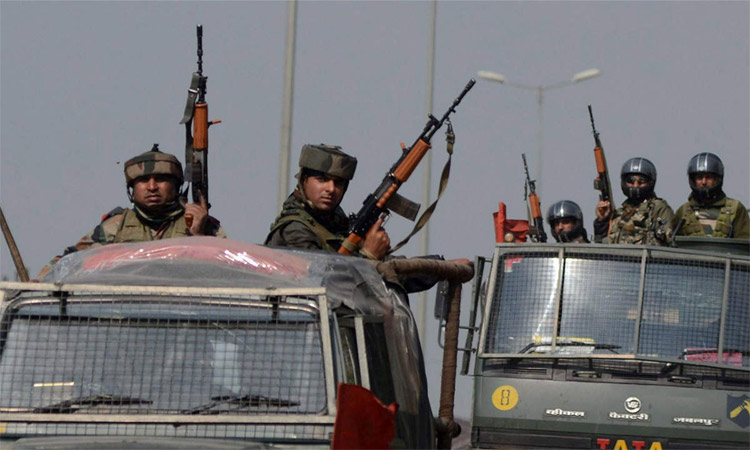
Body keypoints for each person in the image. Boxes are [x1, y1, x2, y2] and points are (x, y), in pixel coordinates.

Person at [37, 144, 225, 278]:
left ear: (176, 186)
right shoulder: (117, 225)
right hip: (129, 312)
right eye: (143, 181)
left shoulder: (199, 221)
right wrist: (37, 284)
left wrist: (199, 237)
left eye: (161, 179)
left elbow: (228, 269)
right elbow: (71, 260)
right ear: (132, 190)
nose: (152, 187)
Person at [265, 144, 390, 260]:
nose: (331, 189)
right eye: (322, 179)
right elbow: (318, 274)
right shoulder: (295, 231)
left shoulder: (333, 220)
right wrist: (368, 255)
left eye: (338, 182)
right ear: (304, 180)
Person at [594, 157, 673, 245]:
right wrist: (602, 220)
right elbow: (602, 244)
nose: (635, 185)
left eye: (641, 181)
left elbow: (670, 243)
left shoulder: (658, 209)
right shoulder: (619, 214)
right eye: (630, 181)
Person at [672, 152, 749, 239]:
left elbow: (745, 243)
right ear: (693, 180)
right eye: (699, 178)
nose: (704, 182)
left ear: (717, 179)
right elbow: (673, 243)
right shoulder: (683, 212)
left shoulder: (735, 209)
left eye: (709, 177)